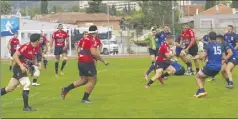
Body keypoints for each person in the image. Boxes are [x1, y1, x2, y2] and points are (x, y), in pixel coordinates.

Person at [61, 25, 109, 103]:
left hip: (81, 61)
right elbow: (94, 52)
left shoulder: (85, 38)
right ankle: (85, 98)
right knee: (93, 80)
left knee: (84, 80)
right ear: (96, 32)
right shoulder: (92, 40)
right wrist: (103, 60)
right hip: (87, 62)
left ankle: (66, 89)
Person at [1, 33, 41, 111]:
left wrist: (36, 64)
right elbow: (15, 55)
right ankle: (26, 107)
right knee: (27, 83)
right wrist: (21, 65)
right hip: (18, 68)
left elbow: (34, 57)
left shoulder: (37, 47)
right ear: (37, 40)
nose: (41, 41)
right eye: (40, 39)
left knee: (9, 88)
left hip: (23, 69)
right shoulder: (26, 46)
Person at [193, 32, 224, 98]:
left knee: (197, 76)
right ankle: (199, 92)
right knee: (202, 77)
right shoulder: (220, 45)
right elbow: (223, 57)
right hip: (218, 68)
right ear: (216, 37)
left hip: (210, 67)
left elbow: (202, 56)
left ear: (209, 38)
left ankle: (202, 90)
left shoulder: (208, 45)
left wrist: (197, 56)